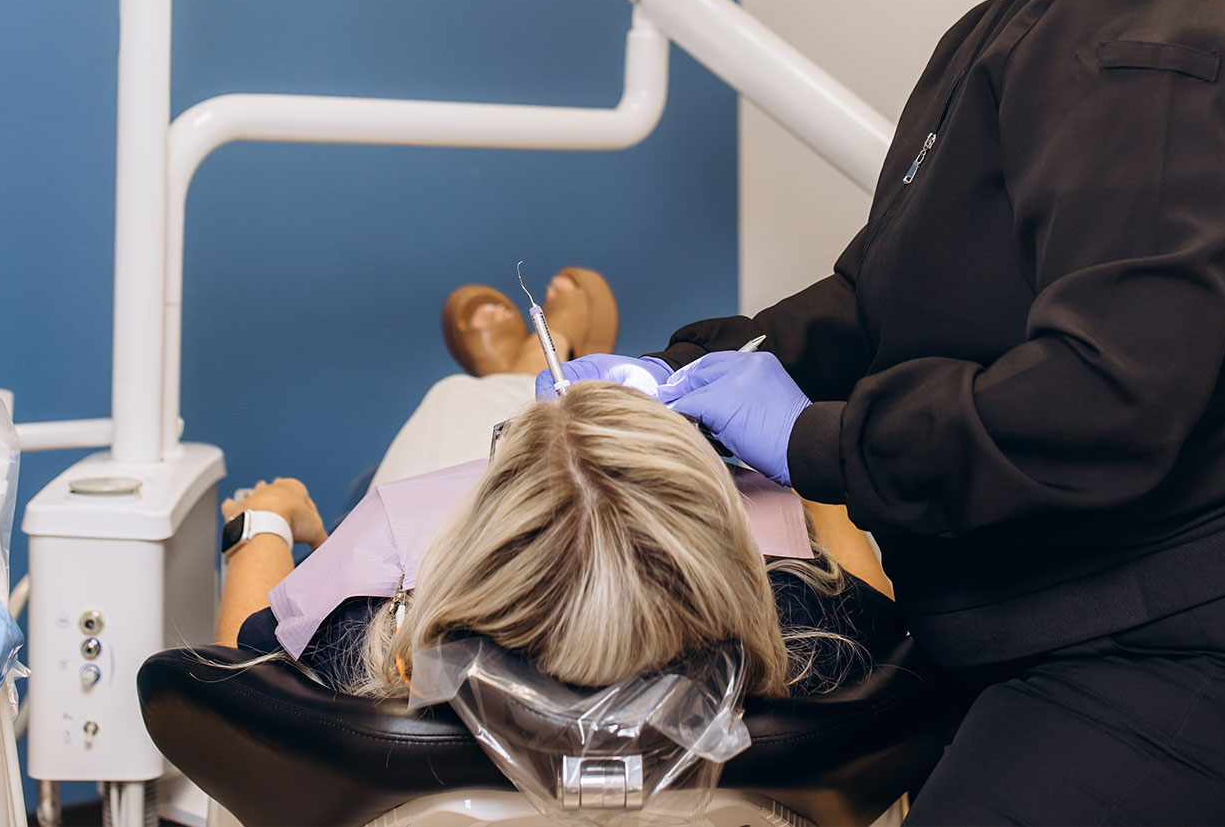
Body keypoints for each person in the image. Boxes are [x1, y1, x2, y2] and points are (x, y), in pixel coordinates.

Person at [549, 0, 1225, 821]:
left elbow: (1104, 394)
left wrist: (814, 440)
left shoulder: (1149, 14)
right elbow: (876, 298)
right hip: (1067, 615)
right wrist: (685, 374)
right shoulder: (1023, 15)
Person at [208, 271, 901, 701]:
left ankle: (511, 370)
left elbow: (250, 659)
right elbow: (870, 590)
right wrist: (805, 456)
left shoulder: (382, 637)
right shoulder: (807, 627)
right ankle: (548, 351)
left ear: (488, 523)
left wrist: (264, 520)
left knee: (455, 400)